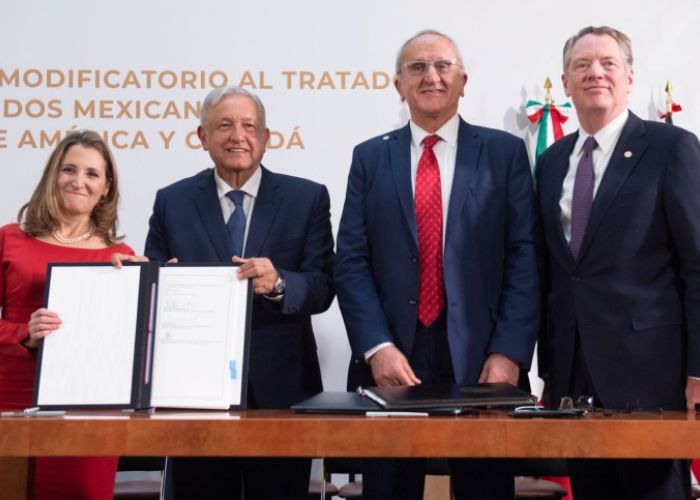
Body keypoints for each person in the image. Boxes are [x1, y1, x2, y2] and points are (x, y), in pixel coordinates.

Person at [334, 29, 539, 500]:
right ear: (398, 84)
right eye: (417, 68)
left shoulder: (503, 153)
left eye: (442, 66)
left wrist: (509, 352)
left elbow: (524, 256)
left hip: (483, 356)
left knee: (484, 488)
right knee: (389, 489)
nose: (431, 77)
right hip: (395, 356)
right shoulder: (369, 157)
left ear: (463, 80)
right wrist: (376, 346)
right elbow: (351, 260)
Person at [144, 85, 334, 499]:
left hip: (282, 390)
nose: (238, 136)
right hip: (192, 392)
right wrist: (161, 286)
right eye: (224, 125)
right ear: (202, 137)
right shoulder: (172, 202)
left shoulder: (307, 198)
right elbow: (150, 293)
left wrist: (280, 283)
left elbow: (323, 286)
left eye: (250, 126)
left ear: (266, 138)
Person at [535, 25, 700, 500]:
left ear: (629, 77)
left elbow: (696, 266)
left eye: (608, 63)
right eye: (581, 65)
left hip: (651, 377)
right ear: (564, 84)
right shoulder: (551, 162)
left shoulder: (671, 148)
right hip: (572, 378)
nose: (595, 73)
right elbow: (558, 271)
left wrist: (699, 370)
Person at [0, 130, 134, 499]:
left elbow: (129, 344)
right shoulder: (9, 238)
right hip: (12, 399)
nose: (79, 181)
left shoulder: (121, 256)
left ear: (106, 187)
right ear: (52, 176)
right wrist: (22, 334)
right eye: (69, 169)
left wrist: (146, 285)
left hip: (89, 408)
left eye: (92, 174)